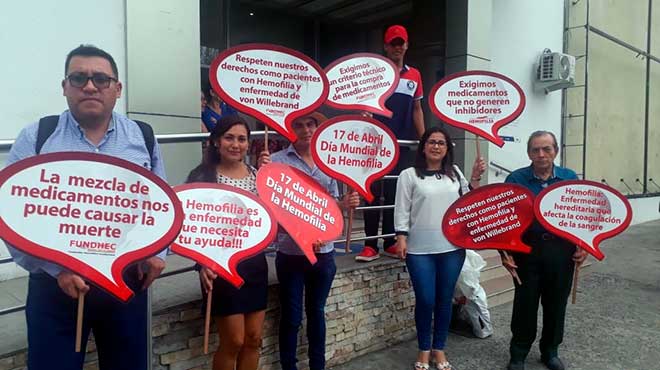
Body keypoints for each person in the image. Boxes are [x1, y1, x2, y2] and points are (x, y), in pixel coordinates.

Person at [5, 44, 167, 370]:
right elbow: (10, 213)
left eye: (101, 79)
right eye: (79, 78)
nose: (90, 86)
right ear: (65, 86)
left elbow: (158, 208)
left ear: (117, 89)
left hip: (126, 283)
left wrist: (158, 253)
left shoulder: (143, 137)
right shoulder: (37, 137)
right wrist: (57, 269)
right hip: (56, 288)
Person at [258, 112, 360, 370]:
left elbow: (333, 206)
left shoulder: (330, 162)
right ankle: (288, 367)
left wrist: (345, 204)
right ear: (290, 130)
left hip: (324, 252)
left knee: (316, 312)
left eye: (310, 124)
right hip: (291, 253)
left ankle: (318, 365)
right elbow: (270, 206)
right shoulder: (277, 161)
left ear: (317, 127)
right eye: (299, 125)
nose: (305, 130)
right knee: (291, 316)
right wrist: (262, 172)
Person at [394, 126, 485, 370]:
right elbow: (401, 208)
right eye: (432, 142)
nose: (436, 146)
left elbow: (468, 201)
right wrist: (401, 236)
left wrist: (474, 178)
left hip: (452, 248)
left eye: (441, 143)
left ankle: (439, 348)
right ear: (423, 146)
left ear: (447, 149)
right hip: (419, 249)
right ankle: (424, 348)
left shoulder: (454, 173)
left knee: (445, 299)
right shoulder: (409, 175)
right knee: (425, 299)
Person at [186, 114, 267, 370]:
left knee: (253, 339)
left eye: (242, 139)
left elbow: (272, 217)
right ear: (216, 141)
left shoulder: (258, 176)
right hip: (219, 266)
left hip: (255, 264)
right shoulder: (202, 177)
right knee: (233, 340)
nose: (236, 144)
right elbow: (189, 225)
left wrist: (270, 177)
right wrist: (201, 264)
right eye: (229, 137)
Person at [502, 131, 588, 370]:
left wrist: (584, 247)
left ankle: (550, 351)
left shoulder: (569, 178)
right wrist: (503, 254)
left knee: (556, 305)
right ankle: (518, 353)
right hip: (527, 250)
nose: (541, 154)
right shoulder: (515, 179)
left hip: (561, 252)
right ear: (529, 152)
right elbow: (503, 219)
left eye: (546, 149)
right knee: (525, 305)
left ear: (556, 151)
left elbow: (582, 217)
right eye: (536, 150)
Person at [357, 24, 425, 262]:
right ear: (386, 46)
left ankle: (389, 242)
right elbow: (363, 107)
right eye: (393, 43)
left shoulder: (414, 75)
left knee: (396, 194)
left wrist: (424, 139)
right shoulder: (374, 73)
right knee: (372, 192)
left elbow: (417, 109)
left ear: (406, 45)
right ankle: (369, 245)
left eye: (401, 43)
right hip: (374, 146)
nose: (397, 47)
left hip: (403, 144)